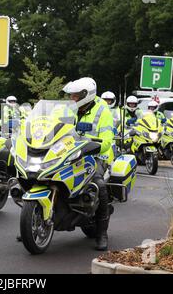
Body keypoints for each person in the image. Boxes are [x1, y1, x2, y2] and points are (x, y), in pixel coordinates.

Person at [63, 77, 114, 251]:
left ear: (86, 95)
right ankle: (35, 220)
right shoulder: (69, 109)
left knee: (98, 185)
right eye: (71, 95)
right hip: (70, 153)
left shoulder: (103, 110)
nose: (72, 99)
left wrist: (93, 147)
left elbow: (107, 141)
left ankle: (101, 233)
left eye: (75, 96)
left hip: (97, 155)